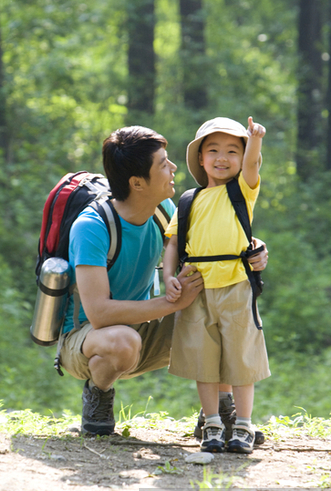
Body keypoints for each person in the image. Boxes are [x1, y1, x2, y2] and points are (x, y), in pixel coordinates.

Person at [57, 125, 268, 437]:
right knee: (122, 341)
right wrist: (171, 302)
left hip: (145, 322)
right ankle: (99, 394)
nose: (173, 168)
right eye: (163, 164)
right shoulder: (92, 227)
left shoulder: (165, 210)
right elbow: (99, 314)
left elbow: (210, 245)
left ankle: (220, 412)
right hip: (91, 338)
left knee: (220, 312)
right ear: (137, 183)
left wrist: (252, 250)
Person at [163, 117, 270, 454]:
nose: (222, 157)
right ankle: (212, 424)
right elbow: (173, 243)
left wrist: (254, 139)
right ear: (200, 158)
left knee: (241, 357)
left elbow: (253, 163)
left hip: (236, 283)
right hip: (196, 287)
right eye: (213, 150)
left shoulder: (241, 191)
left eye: (232, 151)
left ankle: (243, 426)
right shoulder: (188, 200)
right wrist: (169, 277)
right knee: (202, 358)